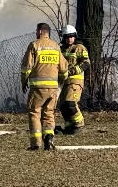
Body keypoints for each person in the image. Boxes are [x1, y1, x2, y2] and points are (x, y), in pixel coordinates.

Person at [20, 22, 68, 151]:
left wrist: (24, 81)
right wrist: (61, 81)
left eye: (37, 31)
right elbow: (64, 69)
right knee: (49, 113)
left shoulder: (34, 45)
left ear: (40, 31)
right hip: (53, 88)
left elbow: (26, 67)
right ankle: (49, 140)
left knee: (34, 112)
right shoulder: (56, 46)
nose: (36, 33)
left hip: (38, 87)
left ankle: (36, 143)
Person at [58, 24, 89, 134]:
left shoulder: (79, 48)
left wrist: (71, 71)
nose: (69, 39)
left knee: (70, 103)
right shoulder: (61, 49)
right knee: (63, 106)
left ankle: (79, 123)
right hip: (63, 81)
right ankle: (69, 126)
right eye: (67, 37)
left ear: (75, 36)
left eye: (71, 36)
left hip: (75, 80)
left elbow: (86, 63)